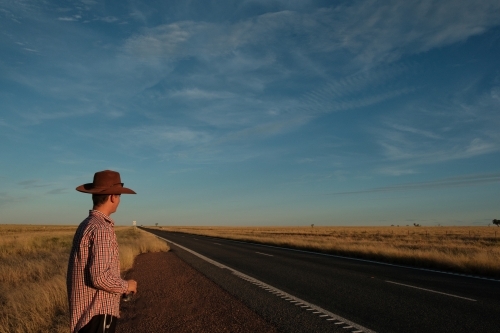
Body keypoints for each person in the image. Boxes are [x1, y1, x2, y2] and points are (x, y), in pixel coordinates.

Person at [67, 170, 138, 333]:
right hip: (96, 314)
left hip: (86, 314)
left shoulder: (87, 224)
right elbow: (100, 277)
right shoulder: (101, 229)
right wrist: (127, 286)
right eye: (119, 196)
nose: (119, 200)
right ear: (113, 196)